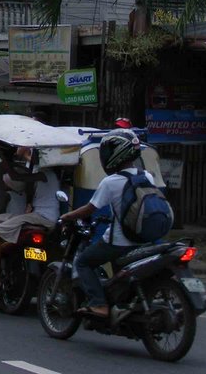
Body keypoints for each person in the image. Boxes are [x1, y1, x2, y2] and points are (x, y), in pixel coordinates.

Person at [60, 129, 149, 320]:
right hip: (142, 239)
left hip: (118, 241)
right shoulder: (146, 176)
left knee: (83, 262)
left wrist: (68, 216)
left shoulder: (111, 182)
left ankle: (99, 304)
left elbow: (89, 209)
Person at [0, 146, 61, 296]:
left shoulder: (46, 174)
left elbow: (17, 177)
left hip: (43, 218)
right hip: (36, 215)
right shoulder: (41, 172)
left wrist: (6, 158)